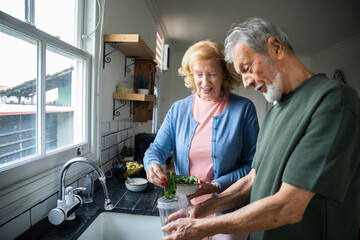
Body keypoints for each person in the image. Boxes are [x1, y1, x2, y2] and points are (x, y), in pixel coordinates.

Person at [161, 17, 360, 240]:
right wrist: (198, 212)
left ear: (275, 48)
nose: (245, 82)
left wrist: (204, 227)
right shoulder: (277, 110)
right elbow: (252, 179)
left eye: (247, 68)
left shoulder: (332, 101)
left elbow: (288, 206)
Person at [143, 40, 259, 209]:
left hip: (227, 207)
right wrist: (152, 164)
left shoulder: (243, 109)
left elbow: (252, 165)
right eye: (198, 74)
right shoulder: (178, 109)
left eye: (212, 74)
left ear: (225, 74)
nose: (204, 82)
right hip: (186, 207)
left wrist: (216, 186)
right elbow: (157, 149)